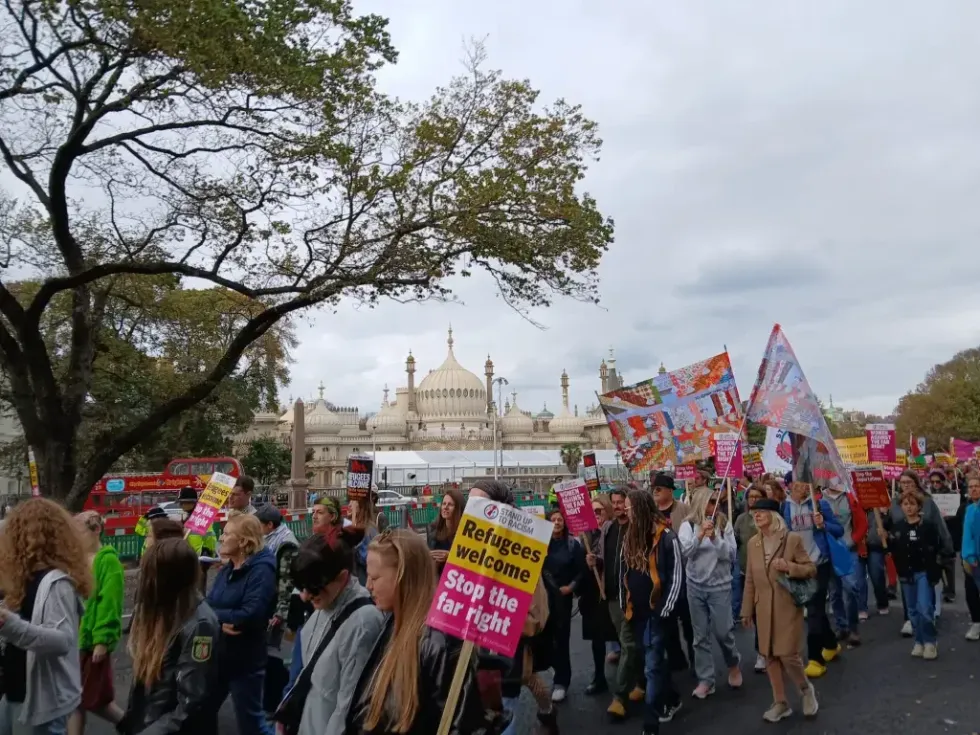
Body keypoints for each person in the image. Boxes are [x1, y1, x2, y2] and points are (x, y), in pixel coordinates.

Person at [346, 529, 504, 735]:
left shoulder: (439, 641)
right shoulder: (395, 621)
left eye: (374, 578)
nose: (368, 586)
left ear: (403, 576)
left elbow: (463, 723)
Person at [0, 498, 93, 735]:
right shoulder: (24, 578)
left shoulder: (56, 583)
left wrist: (9, 624)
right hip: (16, 693)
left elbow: (61, 641)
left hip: (39, 703)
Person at [469, 481, 555, 735]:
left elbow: (537, 616)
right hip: (474, 649)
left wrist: (503, 620)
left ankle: (548, 714)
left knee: (507, 707)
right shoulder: (469, 546)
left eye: (479, 504)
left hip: (507, 649)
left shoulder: (520, 550)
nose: (471, 510)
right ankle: (548, 714)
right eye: (470, 503)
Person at [286, 532, 383, 735]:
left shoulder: (363, 624)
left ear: (342, 578)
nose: (305, 596)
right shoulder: (324, 605)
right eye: (301, 587)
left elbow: (347, 709)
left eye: (313, 588)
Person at [120, 537, 220, 733]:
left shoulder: (200, 625)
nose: (142, 578)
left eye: (148, 573)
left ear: (167, 578)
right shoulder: (166, 610)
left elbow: (190, 703)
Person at [740, 498, 818, 722]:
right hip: (762, 607)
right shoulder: (753, 543)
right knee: (770, 655)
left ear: (774, 516)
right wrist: (746, 610)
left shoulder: (791, 539)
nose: (757, 515)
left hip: (787, 606)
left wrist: (789, 567)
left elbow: (810, 569)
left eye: (762, 512)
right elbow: (750, 581)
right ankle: (780, 702)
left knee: (787, 654)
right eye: (755, 512)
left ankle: (805, 689)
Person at [206, 514, 277, 735]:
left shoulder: (262, 570)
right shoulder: (229, 568)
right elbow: (207, 605)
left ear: (244, 541)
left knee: (251, 724)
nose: (221, 538)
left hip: (245, 660)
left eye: (227, 534)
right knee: (202, 711)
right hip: (219, 656)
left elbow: (250, 614)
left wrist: (218, 616)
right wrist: (219, 620)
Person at [621, 489, 683, 735]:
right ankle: (672, 697)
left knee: (651, 665)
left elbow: (678, 575)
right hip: (636, 612)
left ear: (640, 508)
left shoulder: (667, 536)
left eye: (629, 507)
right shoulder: (630, 535)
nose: (626, 512)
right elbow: (624, 573)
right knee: (652, 661)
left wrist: (665, 609)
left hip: (657, 612)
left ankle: (650, 722)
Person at [586, 487, 645, 721]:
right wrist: (594, 559)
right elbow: (603, 555)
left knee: (629, 644)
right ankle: (641, 681)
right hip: (611, 596)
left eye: (622, 502)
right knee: (628, 643)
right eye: (615, 502)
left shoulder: (637, 528)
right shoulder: (609, 528)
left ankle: (619, 697)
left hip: (630, 596)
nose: (619, 505)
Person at [677, 489, 742, 700]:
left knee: (724, 632)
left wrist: (715, 538)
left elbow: (731, 555)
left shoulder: (724, 524)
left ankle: (733, 664)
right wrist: (699, 536)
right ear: (700, 503)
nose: (715, 505)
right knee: (700, 636)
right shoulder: (687, 525)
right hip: (695, 586)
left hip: (720, 586)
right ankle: (706, 679)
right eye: (710, 501)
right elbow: (684, 552)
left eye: (716, 501)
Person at [70, 511, 125, 735]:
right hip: (75, 638)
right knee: (77, 698)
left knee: (94, 699)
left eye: (79, 531)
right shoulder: (75, 560)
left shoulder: (108, 560)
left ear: (96, 530)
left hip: (91, 641)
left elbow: (110, 603)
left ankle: (132, 725)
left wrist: (102, 640)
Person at [783, 482, 844, 678]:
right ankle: (831, 644)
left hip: (819, 564)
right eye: (797, 484)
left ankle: (815, 659)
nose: (801, 487)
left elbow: (838, 530)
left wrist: (823, 524)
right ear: (790, 486)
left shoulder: (820, 505)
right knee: (814, 609)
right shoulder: (785, 507)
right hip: (798, 567)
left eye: (804, 483)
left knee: (815, 610)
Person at [891, 471, 953, 637]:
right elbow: (890, 529)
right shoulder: (894, 504)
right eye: (902, 482)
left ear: (916, 483)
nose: (906, 485)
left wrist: (946, 551)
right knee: (909, 596)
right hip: (906, 558)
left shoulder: (928, 503)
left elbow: (939, 527)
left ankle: (929, 626)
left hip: (926, 557)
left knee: (925, 598)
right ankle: (911, 622)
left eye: (909, 482)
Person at [886, 488, 943, 659]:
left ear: (919, 506)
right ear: (901, 507)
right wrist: (886, 540)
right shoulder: (898, 528)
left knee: (924, 608)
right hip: (906, 574)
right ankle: (919, 641)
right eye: (905, 504)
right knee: (912, 611)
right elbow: (892, 550)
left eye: (912, 504)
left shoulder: (928, 526)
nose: (909, 507)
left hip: (923, 572)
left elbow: (936, 548)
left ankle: (930, 642)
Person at [256, 504, 300, 714]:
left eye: (259, 525)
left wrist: (280, 614)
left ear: (270, 525)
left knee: (277, 658)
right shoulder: (275, 539)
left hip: (284, 609)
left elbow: (286, 583)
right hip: (278, 607)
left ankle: (277, 705)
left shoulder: (285, 544)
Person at [543, 508, 585, 703]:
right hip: (543, 599)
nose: (557, 522)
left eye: (560, 519)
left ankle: (562, 681)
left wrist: (571, 587)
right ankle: (555, 666)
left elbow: (581, 571)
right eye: (553, 519)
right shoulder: (540, 544)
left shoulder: (572, 545)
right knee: (544, 638)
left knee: (561, 639)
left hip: (563, 598)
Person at [578, 494, 618, 695]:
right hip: (592, 594)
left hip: (612, 591)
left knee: (620, 635)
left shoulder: (614, 530)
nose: (596, 516)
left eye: (599, 511)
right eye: (592, 512)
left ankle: (628, 678)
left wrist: (599, 562)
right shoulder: (586, 535)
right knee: (597, 639)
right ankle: (599, 677)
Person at [822, 481, 869, 646]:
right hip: (829, 551)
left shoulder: (850, 497)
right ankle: (841, 626)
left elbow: (863, 523)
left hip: (849, 550)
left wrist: (853, 540)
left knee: (851, 588)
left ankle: (853, 627)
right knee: (834, 592)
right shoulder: (819, 498)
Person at [734, 484, 767, 673]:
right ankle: (761, 652)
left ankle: (770, 650)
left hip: (767, 573)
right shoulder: (741, 519)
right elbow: (735, 543)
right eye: (750, 496)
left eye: (757, 496)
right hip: (747, 573)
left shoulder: (768, 518)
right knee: (755, 615)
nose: (753, 500)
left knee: (766, 614)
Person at [425, 489, 464, 574]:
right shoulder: (433, 530)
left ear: (458, 508)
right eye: (444, 504)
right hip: (438, 579)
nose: (445, 507)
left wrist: (450, 557)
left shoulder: (465, 533)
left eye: (450, 504)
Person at [961, 472, 980, 640]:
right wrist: (967, 556)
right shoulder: (968, 509)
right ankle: (976, 624)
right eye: (971, 487)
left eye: (977, 486)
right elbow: (967, 535)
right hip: (972, 560)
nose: (974, 489)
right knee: (972, 593)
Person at [348, 498, 380, 586]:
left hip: (364, 582)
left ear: (362, 507)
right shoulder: (348, 526)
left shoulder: (369, 530)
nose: (350, 505)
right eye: (350, 502)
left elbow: (369, 559)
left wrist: (356, 546)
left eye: (354, 503)